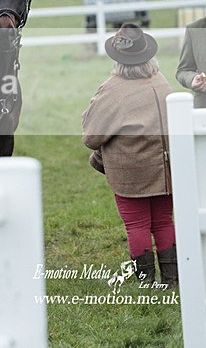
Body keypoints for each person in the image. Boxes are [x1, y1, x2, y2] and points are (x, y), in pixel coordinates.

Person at [82, 23, 176, 285]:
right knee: (164, 222)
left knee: (137, 225)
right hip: (165, 169)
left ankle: (146, 282)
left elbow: (91, 138)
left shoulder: (113, 89)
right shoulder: (161, 81)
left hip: (130, 172)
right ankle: (171, 279)